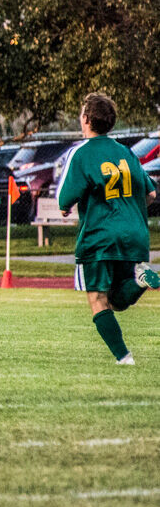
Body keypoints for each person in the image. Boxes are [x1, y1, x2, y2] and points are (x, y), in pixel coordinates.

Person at [56, 93, 159, 365]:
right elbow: (150, 194)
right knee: (119, 300)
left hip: (100, 236)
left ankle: (124, 358)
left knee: (98, 300)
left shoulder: (82, 152)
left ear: (87, 119)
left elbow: (64, 199)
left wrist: (66, 207)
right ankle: (140, 278)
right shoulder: (126, 153)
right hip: (134, 234)